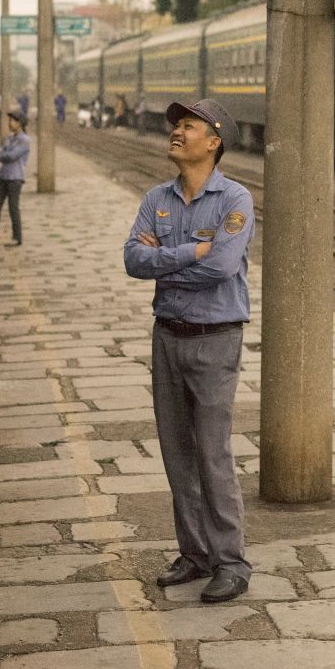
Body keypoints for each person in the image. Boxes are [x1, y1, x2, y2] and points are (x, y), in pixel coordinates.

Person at [122, 99, 254, 604]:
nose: (177, 132)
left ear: (214, 141)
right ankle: (194, 554)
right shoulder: (157, 197)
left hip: (215, 338)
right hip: (168, 336)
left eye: (188, 126)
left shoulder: (234, 199)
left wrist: (165, 260)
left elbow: (221, 267)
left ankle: (231, 562)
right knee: (177, 453)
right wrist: (188, 252)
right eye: (176, 125)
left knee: (212, 453)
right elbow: (133, 259)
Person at [0, 110, 30, 245]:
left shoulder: (25, 140)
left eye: (12, 120)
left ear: (19, 123)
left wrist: (5, 155)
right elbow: (0, 155)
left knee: (13, 208)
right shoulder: (9, 139)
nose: (9, 123)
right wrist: (5, 155)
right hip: (4, 175)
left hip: (15, 177)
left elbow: (10, 156)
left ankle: (17, 238)